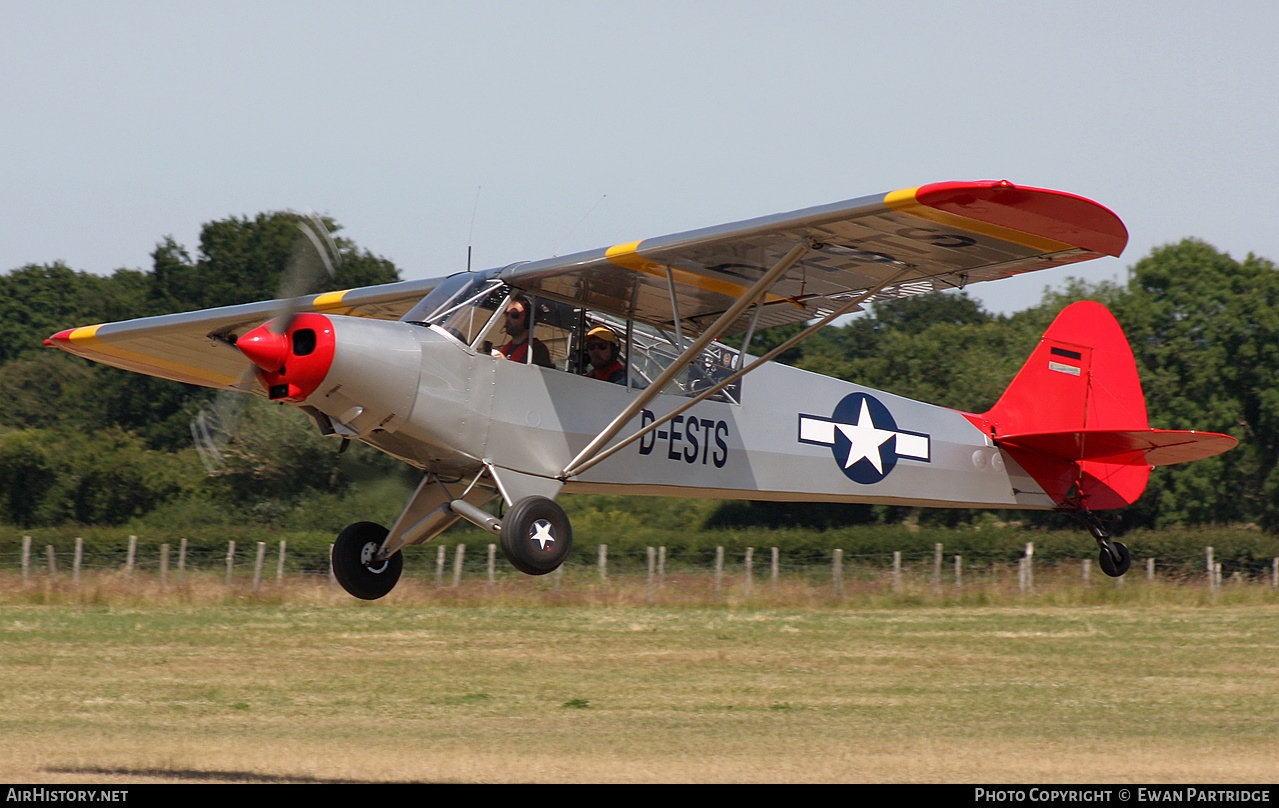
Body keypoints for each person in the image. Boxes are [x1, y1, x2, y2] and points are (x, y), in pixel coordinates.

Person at [493, 295, 552, 367]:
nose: (508, 319)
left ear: (528, 320)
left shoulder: (537, 350)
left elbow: (531, 376)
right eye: (507, 314)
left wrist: (505, 364)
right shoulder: (508, 348)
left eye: (514, 315)